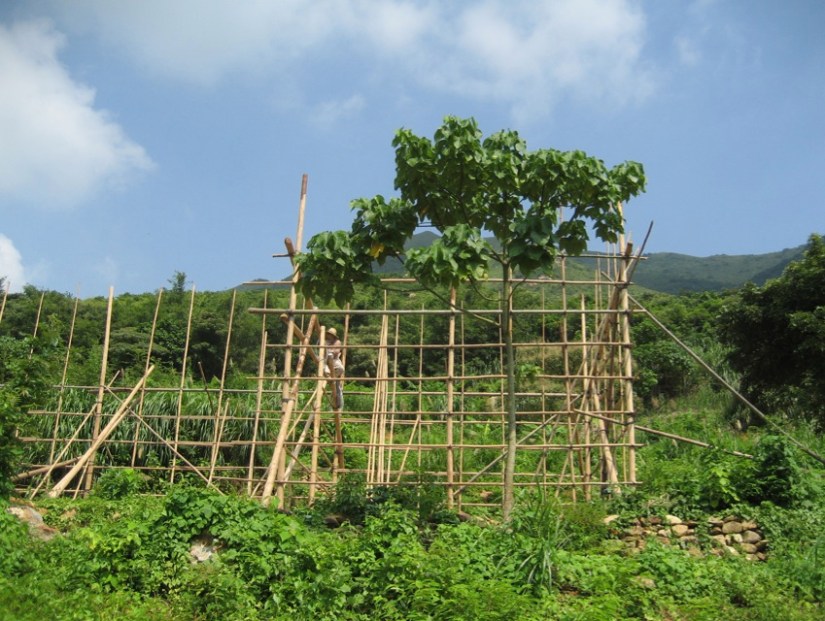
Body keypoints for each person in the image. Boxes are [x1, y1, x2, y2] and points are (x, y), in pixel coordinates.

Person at [324, 327, 345, 406]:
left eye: (330, 335)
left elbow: (336, 351)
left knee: (340, 368)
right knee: (324, 370)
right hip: (325, 361)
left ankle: (332, 377)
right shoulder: (325, 342)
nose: (329, 336)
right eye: (328, 334)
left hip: (335, 361)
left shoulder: (337, 342)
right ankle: (329, 377)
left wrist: (329, 350)